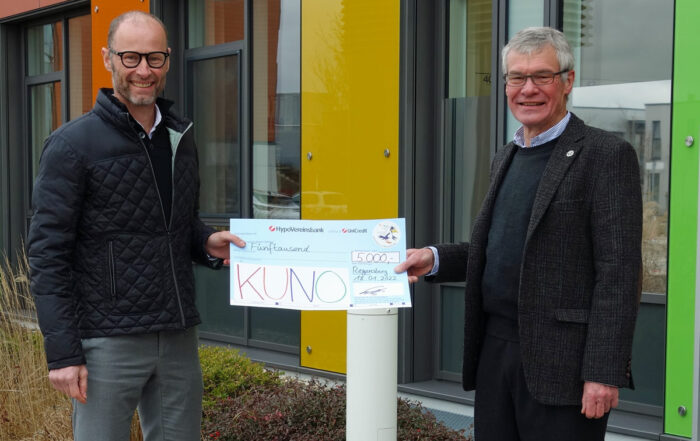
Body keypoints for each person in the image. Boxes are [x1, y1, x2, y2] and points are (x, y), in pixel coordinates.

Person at [395, 27, 642, 441]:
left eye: (542, 76)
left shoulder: (605, 155)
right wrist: (433, 258)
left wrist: (603, 372)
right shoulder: (506, 156)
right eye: (516, 77)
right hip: (495, 353)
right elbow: (499, 248)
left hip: (564, 366)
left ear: (567, 81)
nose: (528, 89)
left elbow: (619, 273)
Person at [27, 11, 244, 441]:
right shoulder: (71, 145)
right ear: (108, 58)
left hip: (177, 334)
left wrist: (206, 242)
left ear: (167, 60)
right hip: (107, 340)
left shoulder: (180, 137)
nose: (144, 70)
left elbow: (175, 224)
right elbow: (47, 255)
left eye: (154, 58)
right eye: (131, 57)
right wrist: (63, 354)